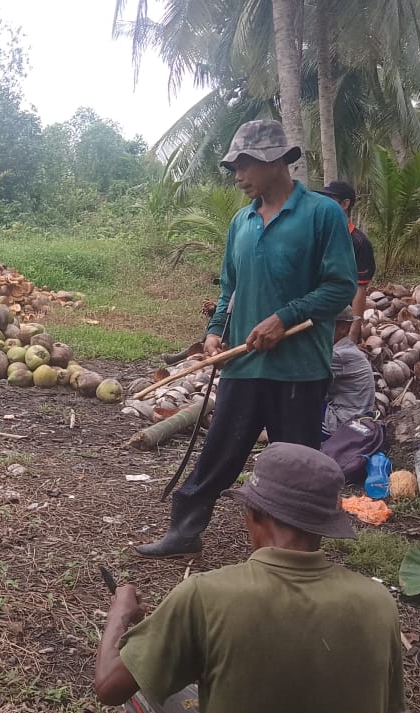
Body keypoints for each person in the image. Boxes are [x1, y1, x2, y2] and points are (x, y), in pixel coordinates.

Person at [96, 443, 406, 713]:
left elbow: (109, 687)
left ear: (252, 514)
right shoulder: (379, 602)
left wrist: (120, 614)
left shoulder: (206, 594)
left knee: (141, 667)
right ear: (324, 526)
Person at [137, 119, 357, 557]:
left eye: (244, 163)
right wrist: (216, 332)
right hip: (244, 365)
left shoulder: (321, 214)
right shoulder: (242, 221)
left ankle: (296, 551)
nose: (237, 174)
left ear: (276, 161)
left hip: (298, 371)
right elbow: (229, 288)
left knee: (296, 466)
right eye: (233, 165)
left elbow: (340, 286)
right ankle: (185, 532)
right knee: (219, 452)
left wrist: (284, 318)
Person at [315, 180, 376, 334]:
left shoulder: (359, 243)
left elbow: (359, 289)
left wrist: (354, 330)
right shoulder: (317, 235)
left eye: (331, 199)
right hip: (316, 315)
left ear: (345, 204)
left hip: (341, 321)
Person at [323, 305, 375, 438]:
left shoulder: (339, 355)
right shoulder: (345, 349)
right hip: (357, 417)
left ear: (343, 328)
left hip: (345, 421)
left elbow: (305, 377)